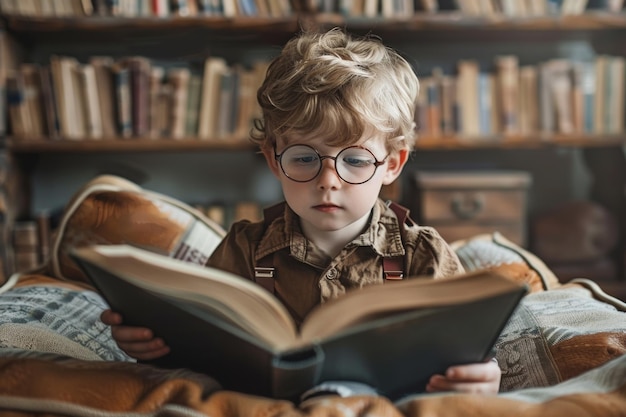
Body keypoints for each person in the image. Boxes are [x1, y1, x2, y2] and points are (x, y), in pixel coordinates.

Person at [101, 27, 501, 396]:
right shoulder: (243, 249)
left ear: (392, 165)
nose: (328, 180)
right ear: (273, 160)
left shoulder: (423, 256)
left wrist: (483, 377)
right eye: (305, 158)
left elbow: (466, 354)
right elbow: (199, 351)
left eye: (356, 161)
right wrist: (151, 348)